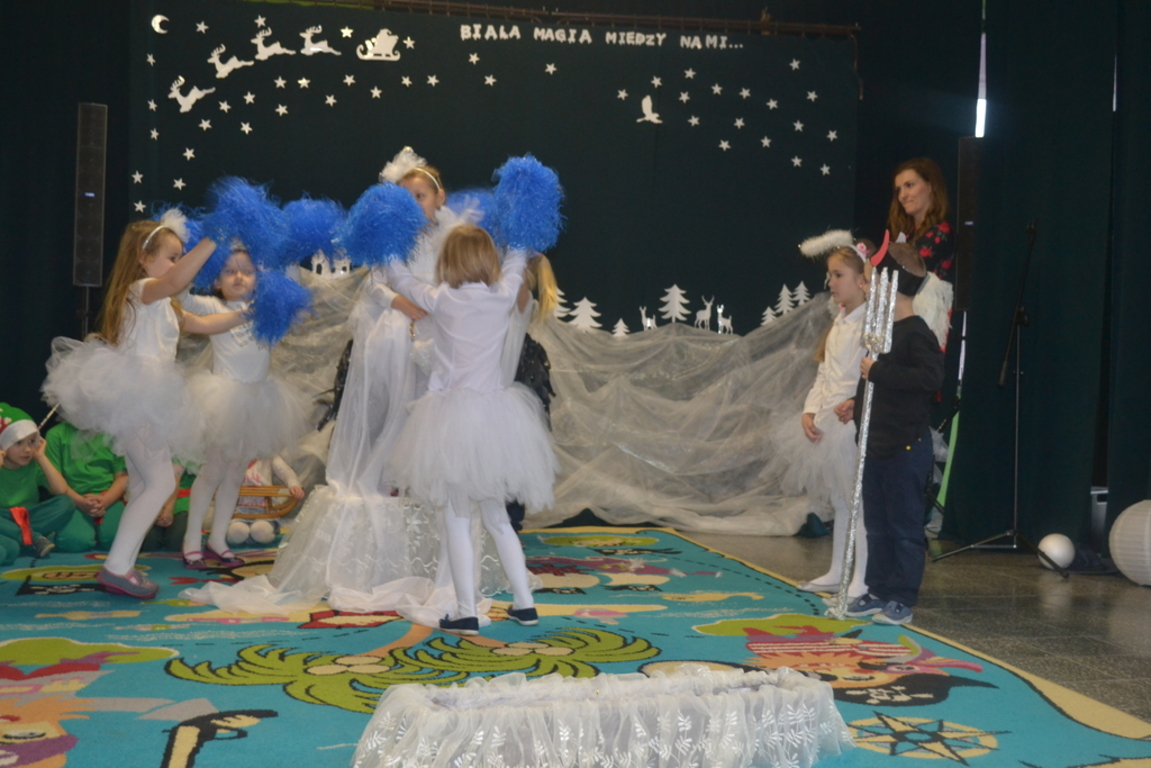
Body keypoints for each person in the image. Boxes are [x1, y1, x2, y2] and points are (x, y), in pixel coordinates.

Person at [42, 216, 243, 598]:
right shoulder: (142, 290)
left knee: (142, 484)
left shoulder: (165, 303)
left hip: (149, 398)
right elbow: (174, 280)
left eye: (179, 257)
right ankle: (117, 567)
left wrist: (251, 314)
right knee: (161, 481)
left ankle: (124, 565)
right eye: (172, 256)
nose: (177, 264)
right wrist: (214, 238)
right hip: (137, 396)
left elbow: (204, 323)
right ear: (143, 257)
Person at [386, 224, 558, 635]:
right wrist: (521, 230)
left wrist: (387, 245)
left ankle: (466, 611)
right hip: (495, 421)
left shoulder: (442, 299)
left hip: (451, 422)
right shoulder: (502, 296)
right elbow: (515, 261)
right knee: (498, 519)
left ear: (448, 261)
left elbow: (401, 280)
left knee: (457, 519)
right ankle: (525, 604)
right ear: (487, 259)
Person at [180, 245, 311, 570]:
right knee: (212, 471)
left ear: (259, 278)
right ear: (215, 280)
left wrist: (289, 259)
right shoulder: (212, 306)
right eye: (229, 271)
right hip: (223, 402)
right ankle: (192, 540)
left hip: (258, 401)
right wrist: (196, 257)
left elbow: (297, 305)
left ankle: (218, 539)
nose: (239, 276)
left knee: (236, 473)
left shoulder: (267, 312)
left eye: (247, 271)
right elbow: (180, 297)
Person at [835, 242, 945, 626]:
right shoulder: (882, 333)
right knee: (877, 526)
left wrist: (878, 373)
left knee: (903, 527)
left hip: (905, 448)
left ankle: (902, 596)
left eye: (869, 281)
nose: (864, 287)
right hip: (877, 446)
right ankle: (878, 589)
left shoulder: (916, 333)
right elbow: (880, 384)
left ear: (890, 285)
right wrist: (857, 402)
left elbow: (930, 378)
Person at [775, 236, 871, 599]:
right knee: (840, 499)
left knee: (857, 500)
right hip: (831, 422)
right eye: (830, 275)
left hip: (851, 424)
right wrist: (810, 409)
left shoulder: (868, 325)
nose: (831, 282)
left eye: (838, 275)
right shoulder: (840, 323)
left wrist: (855, 400)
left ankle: (862, 576)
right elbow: (823, 374)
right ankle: (837, 570)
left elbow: (870, 374)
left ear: (861, 280)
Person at [0, 404, 72, 564]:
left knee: (65, 503)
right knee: (10, 551)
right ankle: (32, 538)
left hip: (27, 517)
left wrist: (41, 457)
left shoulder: (34, 464)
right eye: (18, 443)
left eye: (32, 441)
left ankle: (22, 537)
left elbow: (61, 490)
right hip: (2, 518)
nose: (27, 449)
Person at [44, 420, 128, 552]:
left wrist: (106, 501)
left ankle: (98, 530)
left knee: (119, 540)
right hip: (71, 498)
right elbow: (53, 482)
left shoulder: (113, 434)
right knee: (73, 542)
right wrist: (80, 502)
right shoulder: (56, 434)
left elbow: (122, 476)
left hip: (109, 496)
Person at [887, 157, 954, 284]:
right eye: (898, 190)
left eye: (909, 185)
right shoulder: (909, 234)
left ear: (931, 186)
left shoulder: (940, 232)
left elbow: (907, 280)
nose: (902, 195)